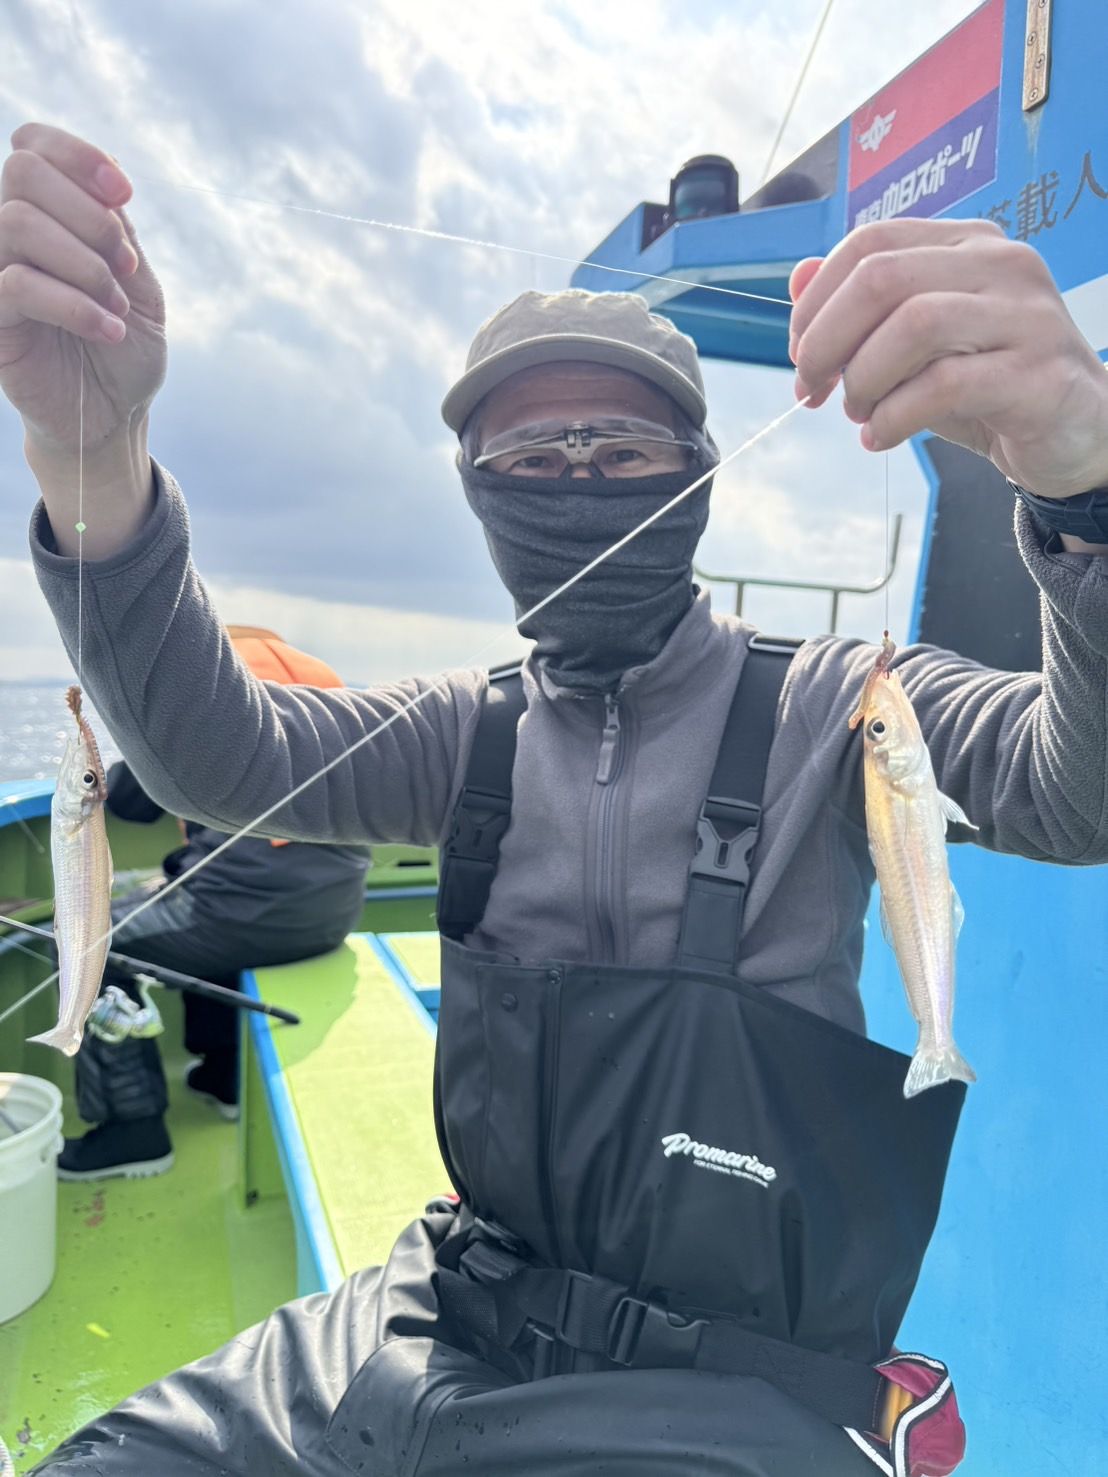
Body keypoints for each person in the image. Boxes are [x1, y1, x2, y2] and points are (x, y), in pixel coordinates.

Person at [2, 122, 1107, 1476]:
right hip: (450, 1304)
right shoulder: (464, 731)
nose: (578, 477)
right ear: (477, 494)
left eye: (623, 451)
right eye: (530, 459)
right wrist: (89, 452)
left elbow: (1074, 791)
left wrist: (1085, 483)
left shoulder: (849, 703)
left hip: (732, 1377)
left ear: (698, 476)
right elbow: (216, 759)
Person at [55, 623, 372, 1181]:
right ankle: (224, 1076)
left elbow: (129, 803)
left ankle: (133, 1132)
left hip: (248, 910)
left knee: (89, 946)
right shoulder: (319, 679)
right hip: (334, 911)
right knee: (196, 911)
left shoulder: (204, 686)